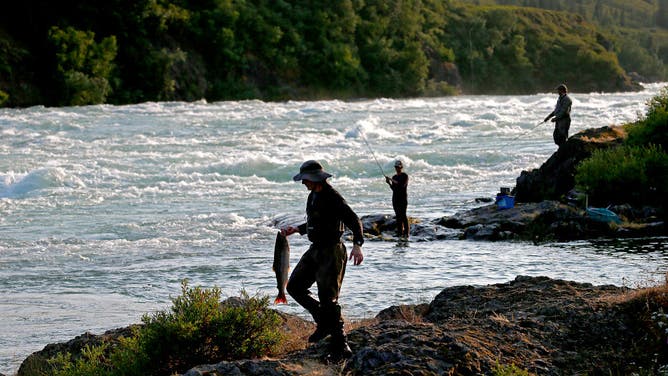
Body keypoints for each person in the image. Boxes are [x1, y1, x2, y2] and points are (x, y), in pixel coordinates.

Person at [282, 160, 364, 360]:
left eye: (305, 179)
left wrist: (357, 245)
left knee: (329, 298)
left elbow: (354, 220)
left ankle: (341, 344)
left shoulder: (333, 197)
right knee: (294, 287)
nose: (303, 183)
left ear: (315, 178)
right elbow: (314, 221)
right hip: (315, 249)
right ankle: (324, 322)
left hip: (332, 251)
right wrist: (297, 230)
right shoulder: (313, 196)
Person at [385, 160, 409, 238]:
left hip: (403, 198)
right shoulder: (394, 177)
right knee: (398, 216)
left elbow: (402, 185)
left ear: (401, 167)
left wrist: (392, 180)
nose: (397, 169)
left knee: (403, 216)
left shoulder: (404, 176)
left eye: (398, 167)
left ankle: (406, 233)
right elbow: (394, 189)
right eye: (396, 167)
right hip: (395, 199)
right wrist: (389, 183)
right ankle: (400, 233)